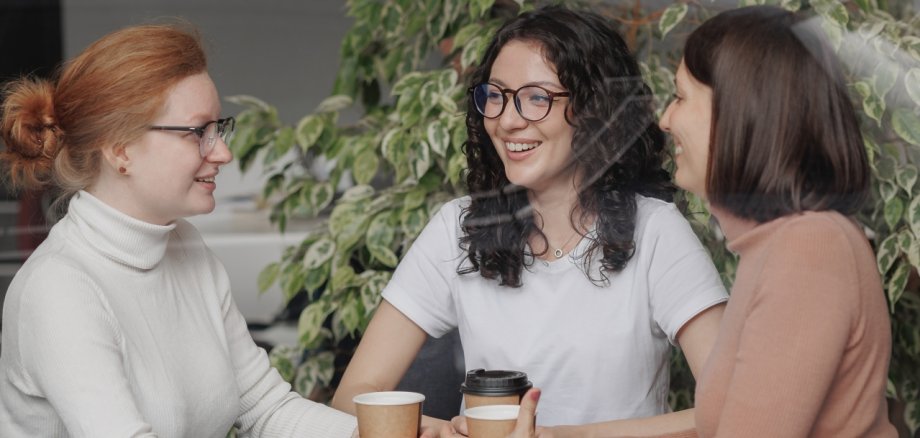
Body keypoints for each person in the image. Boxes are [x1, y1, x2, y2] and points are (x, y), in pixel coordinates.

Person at [332, 6, 728, 437]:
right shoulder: (457, 228)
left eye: (537, 98)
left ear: (597, 109)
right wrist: (450, 432)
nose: (507, 120)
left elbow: (732, 408)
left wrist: (554, 437)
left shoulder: (655, 232)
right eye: (496, 95)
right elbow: (355, 394)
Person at [0, 24, 357, 437]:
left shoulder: (185, 244)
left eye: (217, 129)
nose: (222, 152)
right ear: (120, 149)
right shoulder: (59, 289)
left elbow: (266, 407)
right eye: (197, 133)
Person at [655, 6, 897, 437]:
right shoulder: (783, 243)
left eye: (680, 97)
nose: (665, 120)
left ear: (738, 113)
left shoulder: (808, 249)